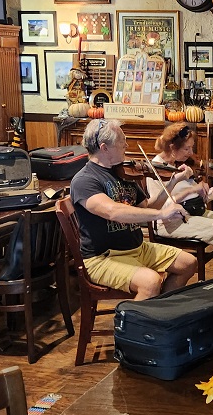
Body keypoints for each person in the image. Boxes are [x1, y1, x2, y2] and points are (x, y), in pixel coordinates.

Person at [70, 119, 197, 300]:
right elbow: (113, 211)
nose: (127, 146)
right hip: (103, 258)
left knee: (188, 263)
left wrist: (173, 182)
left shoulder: (124, 172)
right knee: (150, 282)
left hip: (138, 248)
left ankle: (159, 311)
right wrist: (162, 214)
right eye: (122, 142)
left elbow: (147, 208)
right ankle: (135, 319)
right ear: (104, 148)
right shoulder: (85, 180)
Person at [147, 122, 213, 246]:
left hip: (194, 214)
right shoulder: (155, 170)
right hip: (171, 223)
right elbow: (160, 207)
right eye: (186, 149)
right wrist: (190, 190)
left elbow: (202, 199)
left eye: (192, 148)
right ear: (172, 148)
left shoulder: (180, 165)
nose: (191, 153)